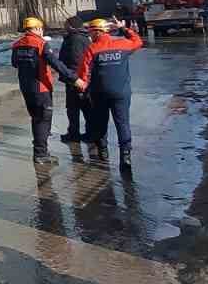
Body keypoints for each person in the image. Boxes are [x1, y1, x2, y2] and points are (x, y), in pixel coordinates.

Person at [74, 17, 145, 170]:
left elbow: (83, 73)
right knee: (123, 123)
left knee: (100, 122)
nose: (90, 36)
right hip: (121, 92)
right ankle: (125, 156)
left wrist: (82, 90)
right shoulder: (122, 44)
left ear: (96, 32)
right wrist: (124, 28)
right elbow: (138, 41)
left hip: (100, 93)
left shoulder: (92, 49)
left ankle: (103, 151)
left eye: (91, 33)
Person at [11, 16, 76, 166]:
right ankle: (41, 154)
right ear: (37, 29)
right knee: (43, 119)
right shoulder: (41, 44)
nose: (42, 31)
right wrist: (73, 78)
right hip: (41, 88)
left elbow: (15, 64)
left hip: (26, 87)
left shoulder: (17, 45)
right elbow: (56, 63)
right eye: (41, 28)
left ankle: (40, 150)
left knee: (36, 118)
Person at [57, 13, 95, 145]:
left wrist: (74, 79)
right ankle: (88, 133)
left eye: (66, 25)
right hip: (80, 79)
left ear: (72, 26)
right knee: (84, 108)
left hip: (76, 80)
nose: (64, 27)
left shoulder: (75, 40)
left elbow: (76, 61)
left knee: (74, 108)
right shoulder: (80, 37)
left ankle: (75, 134)